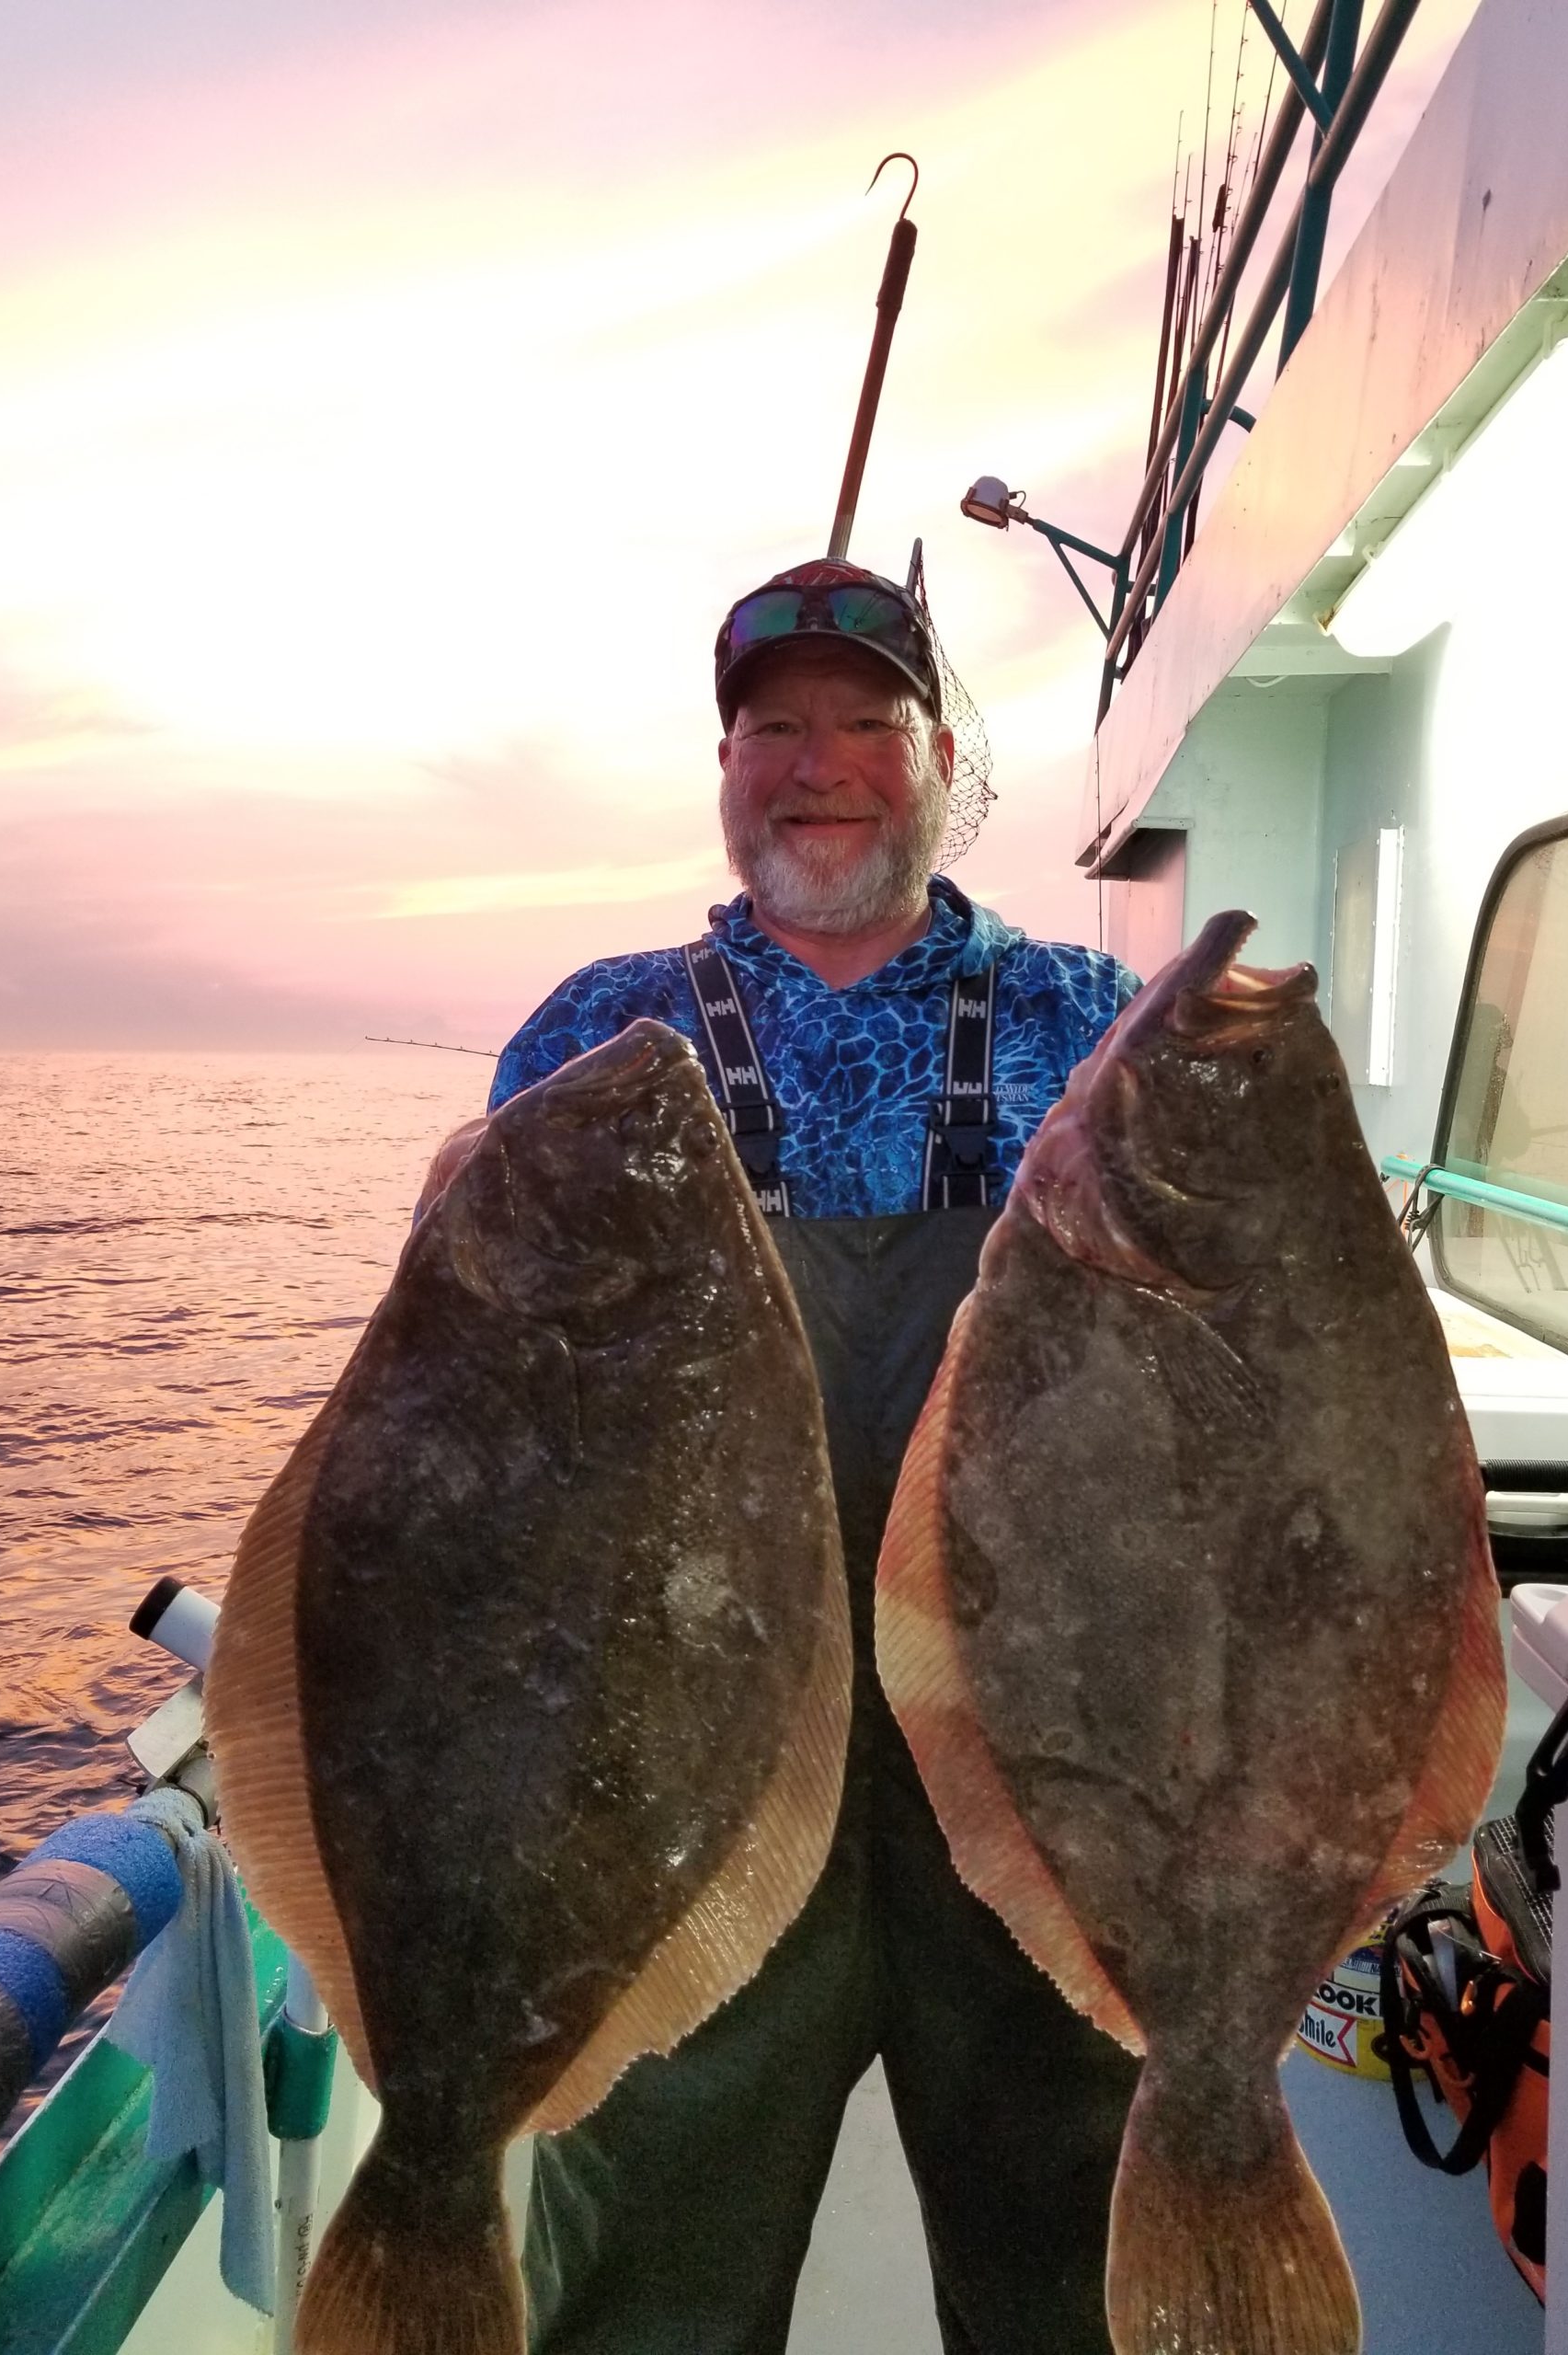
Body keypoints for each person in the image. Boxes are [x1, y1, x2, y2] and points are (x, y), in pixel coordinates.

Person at [489, 557, 1143, 2355]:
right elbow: (491, 1430)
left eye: (867, 720)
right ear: (726, 764)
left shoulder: (1092, 1026)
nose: (818, 762)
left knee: (1072, 2275)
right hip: (688, 1788)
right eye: (774, 727)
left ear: (942, 757)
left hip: (1034, 1777)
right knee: (648, 2291)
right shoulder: (596, 1039)